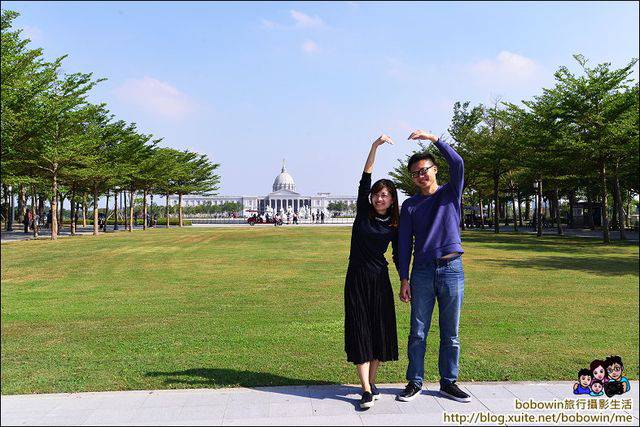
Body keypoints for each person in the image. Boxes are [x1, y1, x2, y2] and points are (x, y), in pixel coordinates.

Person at [396, 130, 471, 403]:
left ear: (435, 169)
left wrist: (433, 139)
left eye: (424, 170)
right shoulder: (411, 206)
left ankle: (448, 382)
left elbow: (459, 163)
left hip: (452, 269)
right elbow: (404, 244)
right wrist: (404, 278)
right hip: (423, 272)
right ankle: (415, 381)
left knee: (451, 333)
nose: (421, 176)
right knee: (418, 332)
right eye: (415, 173)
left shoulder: (451, 193)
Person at [344, 134, 400, 410]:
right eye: (378, 194)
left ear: (392, 200)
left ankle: (372, 383)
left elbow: (400, 253)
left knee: (378, 331)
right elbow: (365, 176)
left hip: (379, 279)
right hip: (357, 277)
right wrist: (374, 146)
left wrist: (405, 281)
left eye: (386, 195)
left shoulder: (394, 223)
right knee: (360, 329)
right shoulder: (363, 211)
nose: (380, 198)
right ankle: (365, 388)